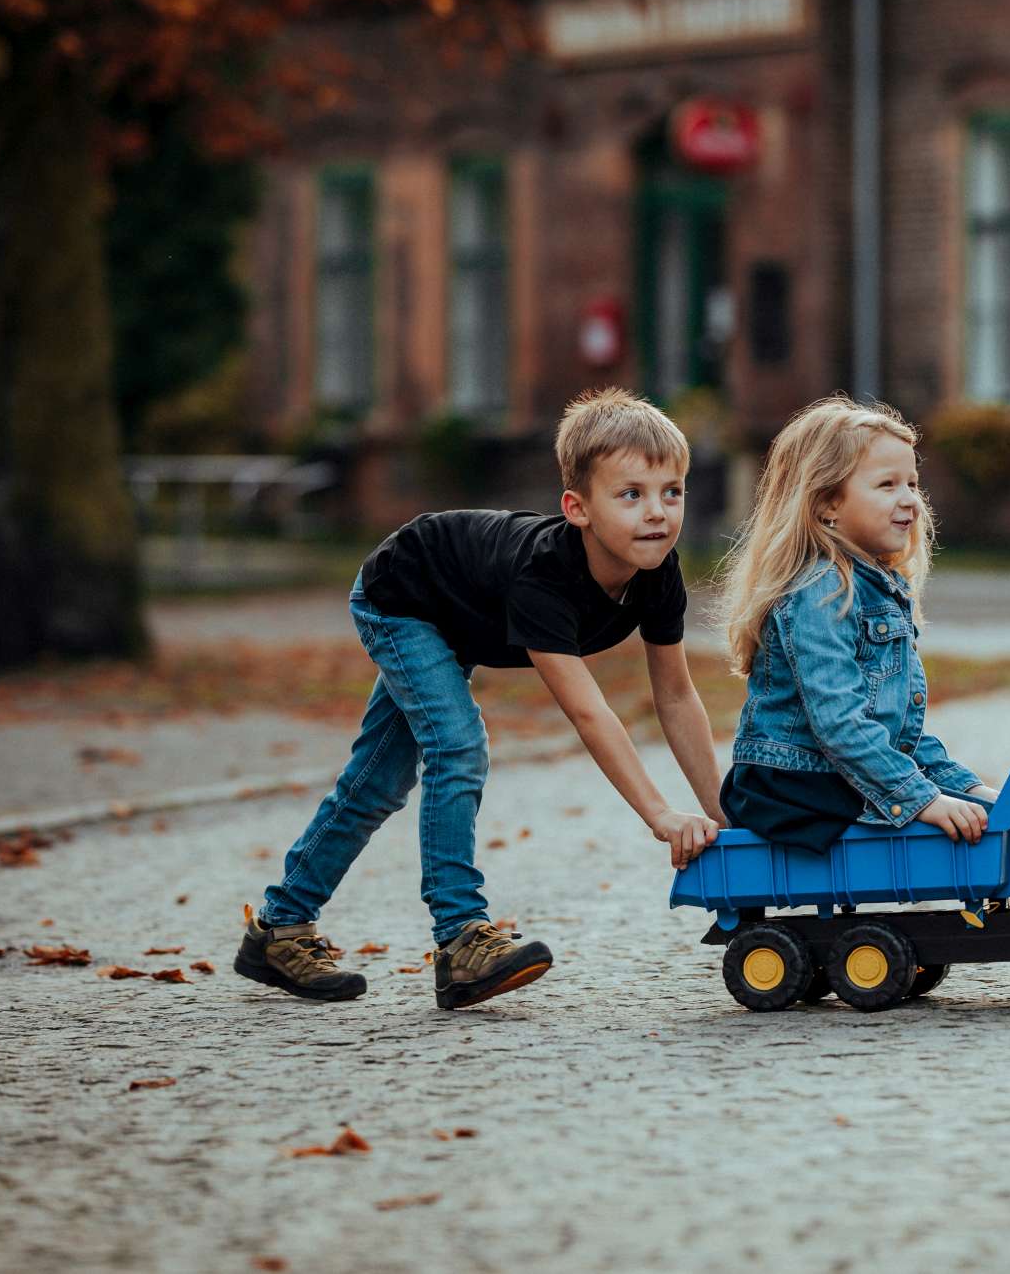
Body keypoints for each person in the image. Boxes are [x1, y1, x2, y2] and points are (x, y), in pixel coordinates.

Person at [236, 388, 724, 1009]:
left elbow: (677, 696)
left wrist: (723, 814)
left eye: (671, 492)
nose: (657, 512)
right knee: (458, 746)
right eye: (630, 494)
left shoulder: (658, 573)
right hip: (405, 596)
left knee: (377, 782)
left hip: (460, 614)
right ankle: (461, 938)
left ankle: (279, 928)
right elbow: (587, 710)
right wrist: (660, 815)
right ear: (577, 508)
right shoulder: (546, 577)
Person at [713, 396, 997, 854]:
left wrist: (968, 788)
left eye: (912, 483)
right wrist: (923, 801)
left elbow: (899, 733)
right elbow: (839, 724)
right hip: (794, 786)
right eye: (887, 485)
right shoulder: (820, 590)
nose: (910, 501)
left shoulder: (875, 586)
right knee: (931, 824)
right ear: (827, 503)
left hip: (833, 770)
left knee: (963, 812)